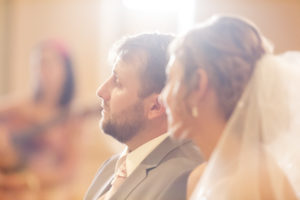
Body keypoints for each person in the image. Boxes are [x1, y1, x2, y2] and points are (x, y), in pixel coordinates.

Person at [162, 15, 300, 199]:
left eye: (171, 79)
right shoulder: (207, 175)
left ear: (199, 85)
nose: (163, 97)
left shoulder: (248, 184)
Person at [84, 33, 203, 200]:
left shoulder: (183, 177)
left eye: (117, 82)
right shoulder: (111, 167)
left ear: (155, 106)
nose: (101, 91)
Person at [0, 40, 80, 200]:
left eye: (49, 63)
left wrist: (23, 182)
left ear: (65, 70)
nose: (43, 70)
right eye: (38, 64)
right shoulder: (18, 107)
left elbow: (68, 172)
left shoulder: (73, 119)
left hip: (41, 190)